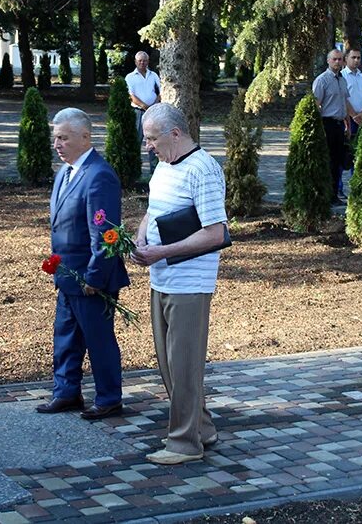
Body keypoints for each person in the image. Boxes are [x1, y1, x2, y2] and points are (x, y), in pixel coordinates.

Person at [131, 103, 227, 465]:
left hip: (189, 282)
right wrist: (141, 239)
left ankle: (184, 444)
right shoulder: (165, 166)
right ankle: (202, 428)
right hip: (163, 277)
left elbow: (215, 233)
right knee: (171, 365)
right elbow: (153, 211)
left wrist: (162, 251)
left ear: (175, 134)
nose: (148, 146)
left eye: (152, 139)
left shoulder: (202, 169)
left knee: (184, 364)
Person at [38, 108, 129, 420]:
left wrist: (94, 277)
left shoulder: (99, 175)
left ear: (85, 137)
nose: (57, 144)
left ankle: (109, 398)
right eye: (55, 138)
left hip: (91, 279)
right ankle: (66, 393)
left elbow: (106, 234)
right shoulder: (64, 172)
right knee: (65, 337)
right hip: (67, 275)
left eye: (63, 137)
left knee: (98, 340)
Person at [311, 49, 351, 204]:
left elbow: (345, 104)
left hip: (340, 124)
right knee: (328, 161)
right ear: (328, 61)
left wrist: (347, 124)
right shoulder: (322, 80)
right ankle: (325, 195)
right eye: (334, 59)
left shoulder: (342, 80)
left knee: (338, 161)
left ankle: (334, 195)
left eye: (340, 59)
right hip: (327, 124)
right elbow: (316, 105)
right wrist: (319, 128)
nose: (337, 62)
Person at [340, 46, 362, 196]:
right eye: (353, 57)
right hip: (349, 119)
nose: (356, 60)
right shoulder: (342, 76)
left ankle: (355, 185)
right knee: (345, 153)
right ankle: (339, 188)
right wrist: (354, 116)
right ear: (346, 59)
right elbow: (343, 99)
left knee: (358, 153)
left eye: (359, 58)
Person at [125, 51, 161, 173]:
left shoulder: (154, 76)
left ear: (148, 61)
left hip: (154, 112)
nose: (142, 63)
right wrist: (145, 106)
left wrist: (154, 105)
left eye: (145, 60)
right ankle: (135, 170)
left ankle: (154, 169)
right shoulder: (130, 77)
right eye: (140, 60)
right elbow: (131, 95)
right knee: (136, 141)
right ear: (135, 62)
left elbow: (160, 92)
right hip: (138, 112)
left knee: (153, 141)